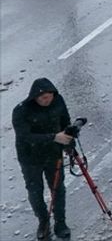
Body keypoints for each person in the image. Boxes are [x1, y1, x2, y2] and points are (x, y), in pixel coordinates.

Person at [12, 78, 73, 240]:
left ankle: (61, 223)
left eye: (49, 97)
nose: (47, 101)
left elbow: (65, 122)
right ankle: (43, 221)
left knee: (58, 189)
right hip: (30, 158)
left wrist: (69, 144)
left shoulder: (58, 101)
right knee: (35, 191)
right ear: (35, 97)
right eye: (43, 98)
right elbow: (25, 137)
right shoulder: (21, 111)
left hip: (53, 154)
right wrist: (54, 137)